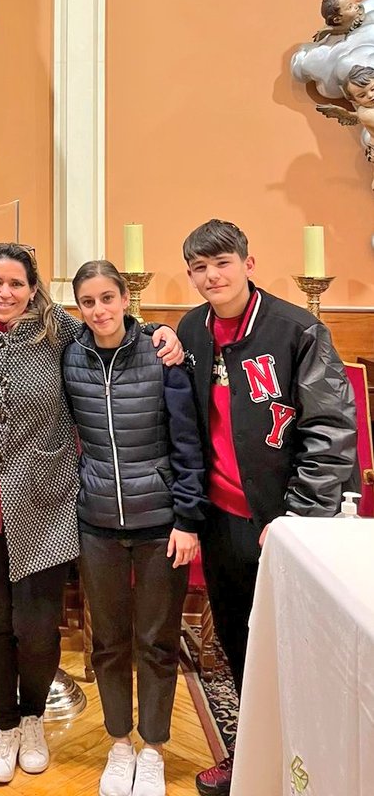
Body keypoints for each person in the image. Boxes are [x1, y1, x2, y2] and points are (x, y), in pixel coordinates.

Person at [0, 243, 183, 785]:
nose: (5, 292)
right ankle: (5, 725)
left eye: (16, 283)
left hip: (44, 501)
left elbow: (113, 329)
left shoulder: (60, 332)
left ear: (33, 288)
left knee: (36, 625)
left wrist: (159, 331)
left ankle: (33, 719)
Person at [176, 220, 357, 796]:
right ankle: (250, 755)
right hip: (221, 517)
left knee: (296, 647)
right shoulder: (192, 329)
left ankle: (306, 764)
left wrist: (296, 520)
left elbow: (331, 430)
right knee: (238, 639)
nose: (212, 276)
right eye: (200, 268)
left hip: (285, 522)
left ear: (248, 265)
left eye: (222, 263)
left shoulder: (296, 329)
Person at [63, 261, 206, 796]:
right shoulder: (70, 355)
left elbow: (188, 443)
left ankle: (153, 749)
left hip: (160, 524)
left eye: (108, 297)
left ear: (126, 298)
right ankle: (119, 743)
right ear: (79, 307)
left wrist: (188, 519)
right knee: (108, 641)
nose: (99, 310)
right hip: (97, 522)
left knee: (156, 641)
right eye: (88, 301)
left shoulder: (160, 353)